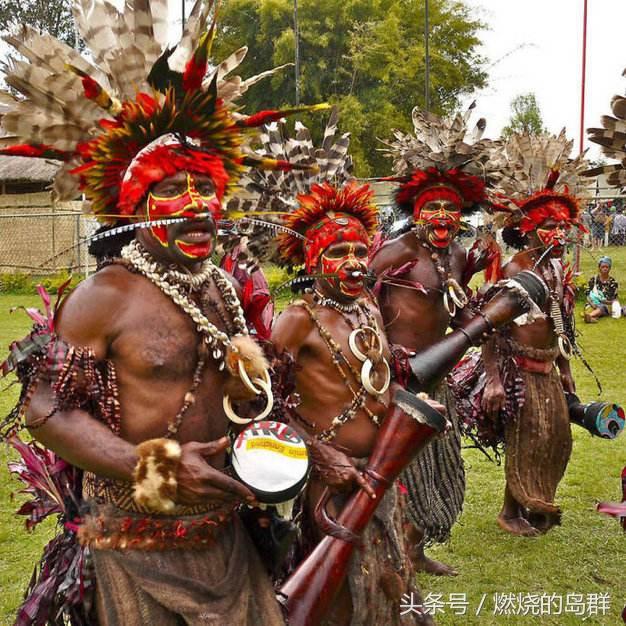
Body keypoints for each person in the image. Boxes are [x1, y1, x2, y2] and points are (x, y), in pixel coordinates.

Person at [0, 2, 325, 623]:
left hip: (226, 527)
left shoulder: (220, 287)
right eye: (173, 189)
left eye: (206, 186)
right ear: (134, 205)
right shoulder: (107, 296)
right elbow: (44, 408)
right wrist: (154, 465)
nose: (197, 205)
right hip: (134, 535)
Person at [233, 112, 437, 624]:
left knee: (386, 580)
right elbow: (264, 405)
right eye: (336, 252)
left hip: (381, 472)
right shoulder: (296, 322)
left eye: (357, 251)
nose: (352, 262)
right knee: (336, 595)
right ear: (310, 261)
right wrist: (319, 452)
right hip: (331, 481)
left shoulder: (368, 305)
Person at [369, 104, 500, 575]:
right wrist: (381, 362)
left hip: (439, 375)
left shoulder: (457, 253)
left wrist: (486, 315)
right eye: (433, 208)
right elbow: (362, 305)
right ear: (416, 212)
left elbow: (457, 307)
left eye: (451, 208)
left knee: (437, 463)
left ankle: (417, 549)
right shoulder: (393, 254)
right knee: (399, 470)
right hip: (398, 378)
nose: (443, 215)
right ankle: (393, 552)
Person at [477, 131, 587, 537]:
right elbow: (491, 328)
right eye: (549, 227)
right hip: (517, 365)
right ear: (529, 230)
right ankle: (511, 511)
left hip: (546, 366)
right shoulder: (515, 270)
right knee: (526, 439)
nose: (558, 235)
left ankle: (537, 502)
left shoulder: (556, 268)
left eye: (563, 226)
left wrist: (565, 367)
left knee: (556, 439)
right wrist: (492, 379)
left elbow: (557, 320)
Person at [585, 256, 619, 323]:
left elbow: (615, 300)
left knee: (602, 307)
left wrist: (605, 302)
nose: (605, 269)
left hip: (606, 305)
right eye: (603, 267)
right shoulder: (593, 279)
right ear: (599, 268)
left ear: (610, 268)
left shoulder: (613, 282)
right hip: (593, 304)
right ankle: (591, 317)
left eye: (607, 267)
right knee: (592, 308)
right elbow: (588, 295)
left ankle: (590, 316)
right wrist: (592, 304)